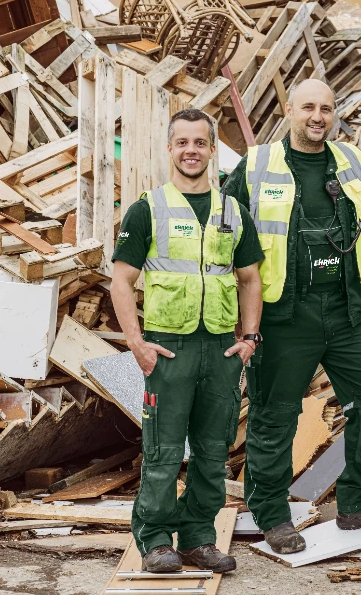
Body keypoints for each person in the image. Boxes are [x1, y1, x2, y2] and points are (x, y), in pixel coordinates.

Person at [222, 78, 361, 554]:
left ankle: (356, 502)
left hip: (346, 315)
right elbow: (221, 229)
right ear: (289, 109)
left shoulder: (351, 161)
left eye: (326, 109)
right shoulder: (257, 165)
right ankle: (272, 515)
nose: (317, 117)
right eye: (308, 107)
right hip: (285, 319)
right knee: (274, 419)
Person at [110, 108, 264, 573]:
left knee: (213, 449)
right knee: (163, 450)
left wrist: (249, 338)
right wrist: (136, 342)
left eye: (200, 143)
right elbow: (121, 282)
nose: (191, 151)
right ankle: (156, 541)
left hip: (219, 349)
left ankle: (199, 538)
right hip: (168, 350)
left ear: (212, 150)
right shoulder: (148, 208)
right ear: (170, 148)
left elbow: (250, 278)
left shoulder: (231, 211)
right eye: (182, 142)